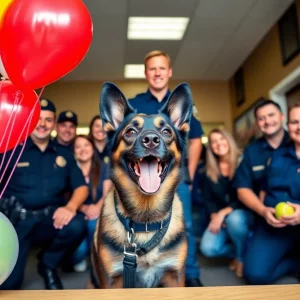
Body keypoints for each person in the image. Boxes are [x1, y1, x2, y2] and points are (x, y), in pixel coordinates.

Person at [128, 50, 204, 287]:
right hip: (145, 178)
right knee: (142, 226)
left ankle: (189, 274)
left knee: (184, 226)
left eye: (162, 68)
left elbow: (196, 139)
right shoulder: (135, 104)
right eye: (153, 68)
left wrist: (186, 171)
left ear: (169, 72)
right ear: (146, 73)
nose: (158, 72)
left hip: (177, 181)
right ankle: (143, 275)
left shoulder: (182, 103)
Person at [0, 99, 88, 290]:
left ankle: (48, 265)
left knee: (77, 225)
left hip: (50, 220)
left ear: (54, 124)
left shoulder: (64, 154)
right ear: (29, 120)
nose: (43, 124)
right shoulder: (12, 149)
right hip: (17, 223)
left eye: (48, 120)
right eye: (38, 119)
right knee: (9, 285)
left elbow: (81, 187)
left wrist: (70, 207)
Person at [243, 103, 300, 284]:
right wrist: (263, 211)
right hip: (274, 225)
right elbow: (263, 189)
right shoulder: (277, 155)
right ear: (288, 125)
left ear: (280, 117)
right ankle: (293, 263)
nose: (299, 127)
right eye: (295, 122)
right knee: (255, 275)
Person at [199, 129, 253, 278]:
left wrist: (223, 214)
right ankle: (240, 252)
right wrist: (214, 215)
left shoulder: (244, 161)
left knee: (234, 219)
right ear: (210, 147)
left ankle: (241, 259)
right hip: (222, 217)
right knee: (208, 248)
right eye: (214, 142)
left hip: (244, 214)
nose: (218, 144)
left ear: (228, 140)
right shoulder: (209, 170)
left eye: (221, 139)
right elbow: (207, 198)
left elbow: (247, 196)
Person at [233, 99, 290, 215]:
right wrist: (263, 211)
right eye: (261, 118)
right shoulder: (251, 151)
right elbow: (242, 188)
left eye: (271, 115)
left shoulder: (296, 143)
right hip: (261, 212)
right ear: (257, 123)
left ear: (282, 116)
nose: (267, 121)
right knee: (235, 220)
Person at [71, 135, 112, 271]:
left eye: (86, 145)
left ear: (92, 148)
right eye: (78, 146)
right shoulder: (70, 169)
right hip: (77, 213)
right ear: (74, 151)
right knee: (78, 254)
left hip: (98, 213)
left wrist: (96, 208)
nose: (82, 149)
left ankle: (96, 258)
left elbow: (107, 194)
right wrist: (84, 208)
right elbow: (64, 197)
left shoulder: (103, 166)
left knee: (93, 224)